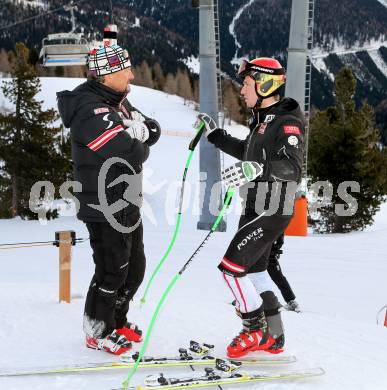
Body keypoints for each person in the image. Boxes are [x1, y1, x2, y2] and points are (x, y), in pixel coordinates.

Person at [197, 57, 305, 358]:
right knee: (255, 272)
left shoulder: (287, 122)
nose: (242, 90)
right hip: (256, 204)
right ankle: (275, 336)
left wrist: (258, 167)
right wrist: (215, 135)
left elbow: (292, 168)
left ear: (265, 84)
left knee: (231, 270)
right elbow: (248, 152)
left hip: (273, 207)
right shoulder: (263, 119)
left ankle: (254, 329)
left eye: (246, 83)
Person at [57, 44, 161, 355]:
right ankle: (97, 330)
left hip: (126, 200)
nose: (131, 75)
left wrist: (136, 132)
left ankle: (116, 320)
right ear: (106, 76)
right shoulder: (91, 109)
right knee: (112, 270)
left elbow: (152, 129)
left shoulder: (117, 102)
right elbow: (129, 151)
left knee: (135, 267)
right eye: (124, 70)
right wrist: (135, 137)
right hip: (102, 203)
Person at [267, 233, 300, 312]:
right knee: (249, 277)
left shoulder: (276, 222)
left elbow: (280, 238)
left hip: (270, 256)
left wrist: (275, 248)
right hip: (256, 255)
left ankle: (291, 301)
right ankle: (243, 299)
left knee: (279, 278)